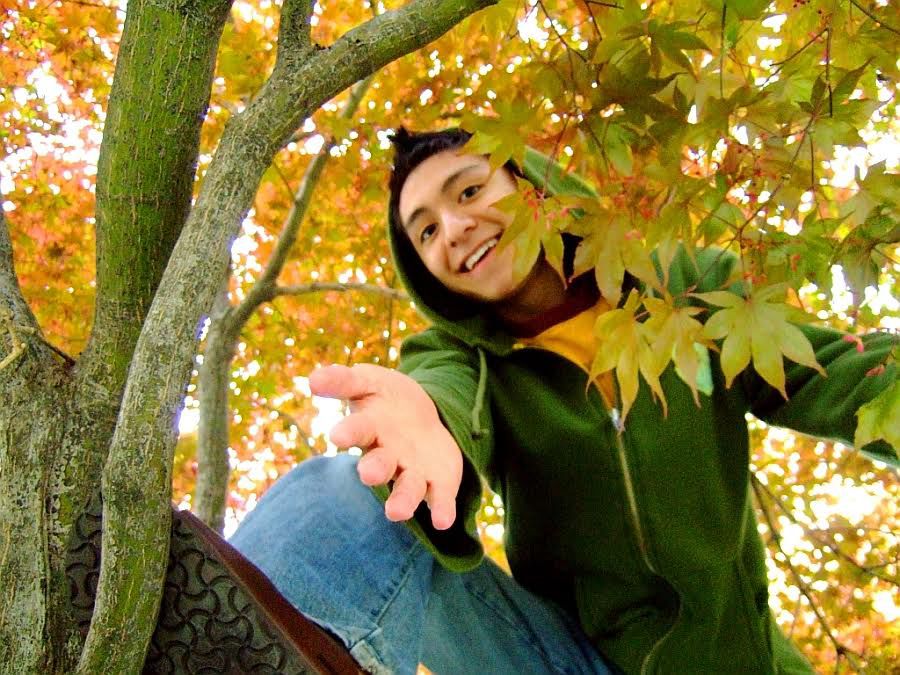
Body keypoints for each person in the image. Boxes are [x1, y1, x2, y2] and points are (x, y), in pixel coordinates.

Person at [231, 127, 897, 675]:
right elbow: (442, 399)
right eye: (425, 231)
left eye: (469, 190)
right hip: (561, 663)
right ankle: (229, 653)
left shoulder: (684, 289)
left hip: (739, 666)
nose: (455, 227)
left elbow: (839, 375)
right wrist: (426, 425)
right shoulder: (462, 361)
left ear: (533, 184)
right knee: (340, 491)